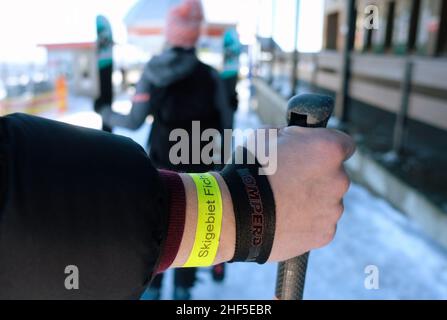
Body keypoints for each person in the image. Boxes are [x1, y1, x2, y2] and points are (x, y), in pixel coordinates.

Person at [0, 112, 355, 300]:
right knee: (168, 269)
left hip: (157, 182)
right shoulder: (205, 74)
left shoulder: (157, 69)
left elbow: (137, 118)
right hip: (167, 184)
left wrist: (243, 201)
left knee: (159, 272)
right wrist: (242, 206)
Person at [99, 0, 232, 299]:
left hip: (159, 169)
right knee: (195, 236)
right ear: (195, 35)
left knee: (156, 237)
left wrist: (105, 112)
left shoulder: (153, 72)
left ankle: (152, 290)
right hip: (201, 173)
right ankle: (184, 294)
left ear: (170, 34)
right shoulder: (211, 77)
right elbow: (226, 128)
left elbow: (134, 121)